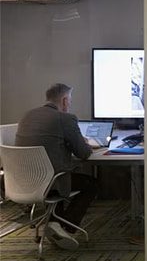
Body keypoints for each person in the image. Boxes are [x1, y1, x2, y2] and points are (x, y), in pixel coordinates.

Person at [15, 83, 98, 250]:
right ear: (65, 100)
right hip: (50, 180)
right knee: (92, 184)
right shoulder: (65, 119)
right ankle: (66, 227)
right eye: (71, 100)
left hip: (22, 179)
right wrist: (86, 143)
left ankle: (55, 224)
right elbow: (83, 154)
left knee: (55, 171)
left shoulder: (27, 115)